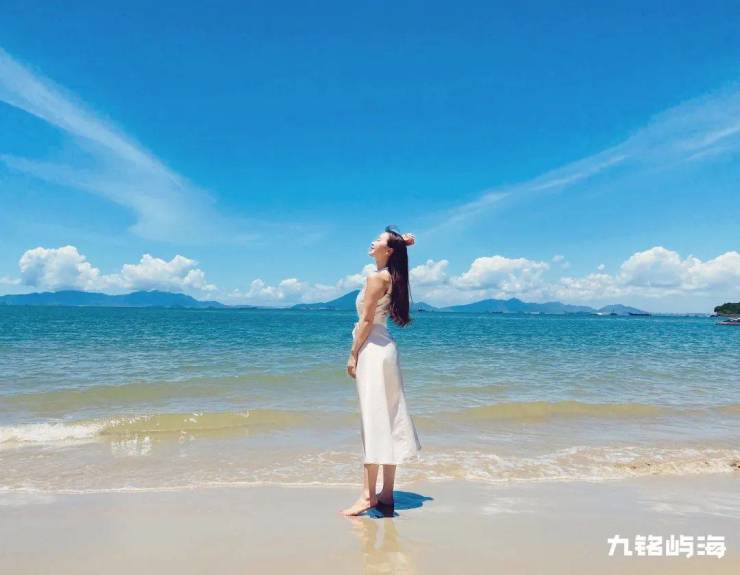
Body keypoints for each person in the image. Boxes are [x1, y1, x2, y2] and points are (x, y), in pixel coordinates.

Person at [340, 225, 422, 516]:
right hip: (385, 347)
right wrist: (400, 245)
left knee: (374, 420)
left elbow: (365, 321)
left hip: (373, 350)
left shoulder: (376, 278)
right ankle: (386, 494)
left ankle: (368, 496)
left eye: (378, 240)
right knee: (388, 418)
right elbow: (393, 255)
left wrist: (353, 354)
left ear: (387, 251)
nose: (371, 241)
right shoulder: (392, 275)